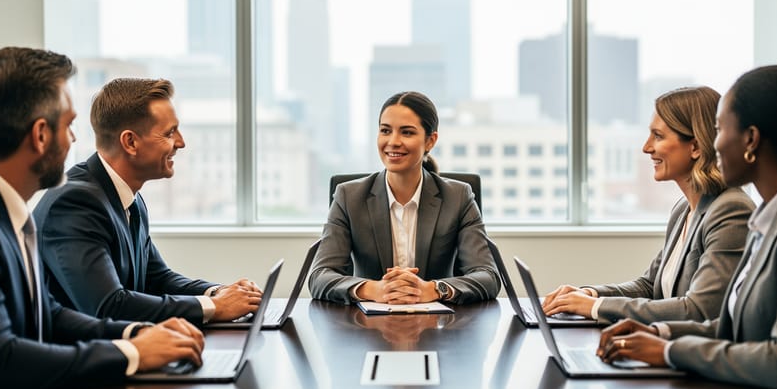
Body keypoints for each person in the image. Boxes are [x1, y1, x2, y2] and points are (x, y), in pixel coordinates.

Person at [0, 47, 204, 389]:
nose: (74, 141)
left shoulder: (2, 208)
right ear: (40, 135)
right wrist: (130, 354)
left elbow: (46, 315)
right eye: (68, 126)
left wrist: (135, 335)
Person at [598, 65, 777, 389]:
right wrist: (659, 332)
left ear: (751, 139)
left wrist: (668, 352)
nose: (713, 144)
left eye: (718, 130)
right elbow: (733, 328)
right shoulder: (771, 217)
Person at [33, 78, 261, 325]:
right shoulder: (74, 202)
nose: (181, 143)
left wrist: (219, 293)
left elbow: (157, 279)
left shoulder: (129, 198)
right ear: (130, 142)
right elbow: (108, 305)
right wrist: (214, 307)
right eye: (170, 133)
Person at [542, 86, 754, 324]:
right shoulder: (683, 210)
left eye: (658, 136)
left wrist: (595, 307)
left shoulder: (731, 210)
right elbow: (650, 285)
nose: (646, 147)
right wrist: (590, 294)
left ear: (695, 146)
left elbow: (701, 310)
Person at [309, 91, 500, 305]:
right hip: (367, 329)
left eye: (407, 133)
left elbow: (488, 276)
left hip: (440, 329)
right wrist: (373, 289)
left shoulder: (458, 197)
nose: (393, 141)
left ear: (430, 141)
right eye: (385, 131)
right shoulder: (349, 197)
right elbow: (319, 277)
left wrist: (435, 289)